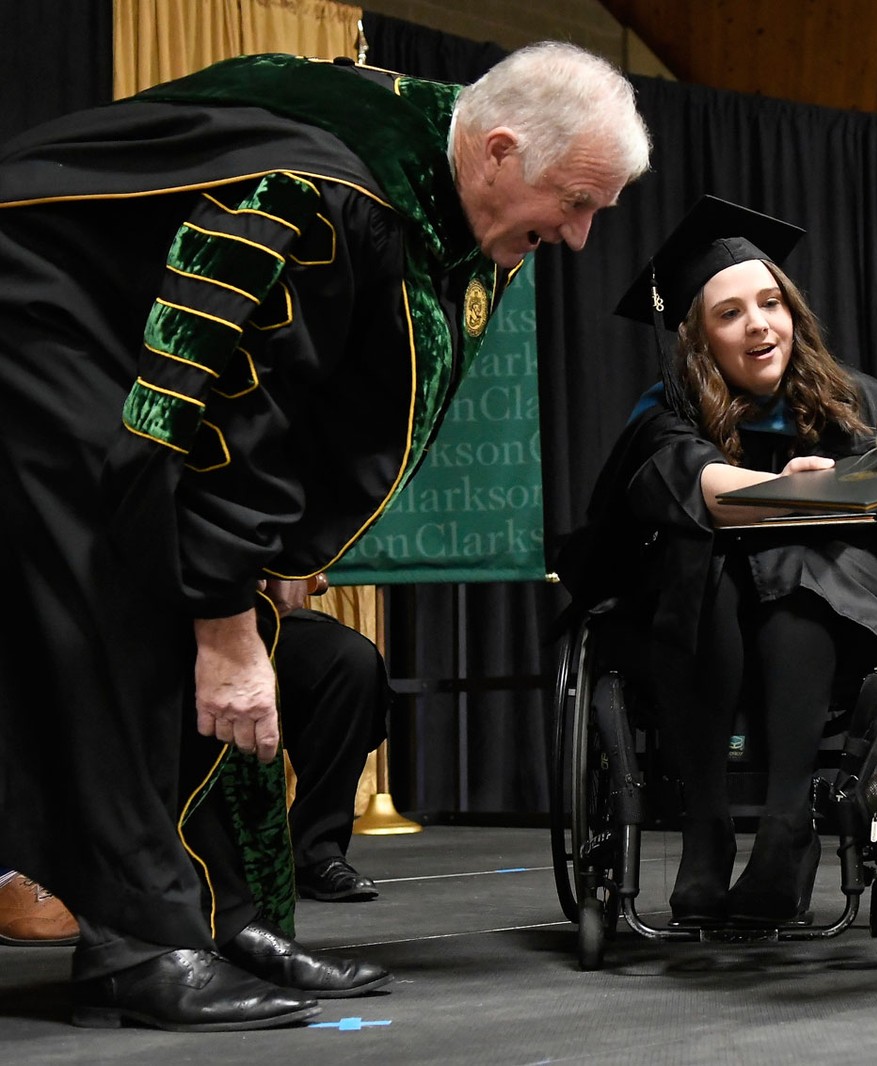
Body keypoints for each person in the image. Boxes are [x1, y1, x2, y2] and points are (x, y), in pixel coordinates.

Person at [0, 43, 651, 1032]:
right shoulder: (326, 200)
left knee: (206, 600)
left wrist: (264, 567)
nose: (579, 237)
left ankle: (218, 915)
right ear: (500, 151)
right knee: (124, 600)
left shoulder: (437, 150)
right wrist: (224, 624)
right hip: (34, 322)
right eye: (572, 202)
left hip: (104, 339)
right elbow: (218, 410)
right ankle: (137, 941)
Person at [560, 196, 877, 926]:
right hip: (696, 633)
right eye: (730, 314)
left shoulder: (857, 403)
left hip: (830, 624)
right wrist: (797, 494)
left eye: (771, 302)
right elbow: (701, 489)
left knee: (801, 573)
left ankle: (787, 829)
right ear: (698, 338)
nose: (758, 323)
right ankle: (707, 826)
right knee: (701, 567)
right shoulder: (667, 413)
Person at [262, 575, 389, 904]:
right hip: (167, 618)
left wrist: (289, 571)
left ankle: (315, 851)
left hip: (258, 614)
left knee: (348, 660)